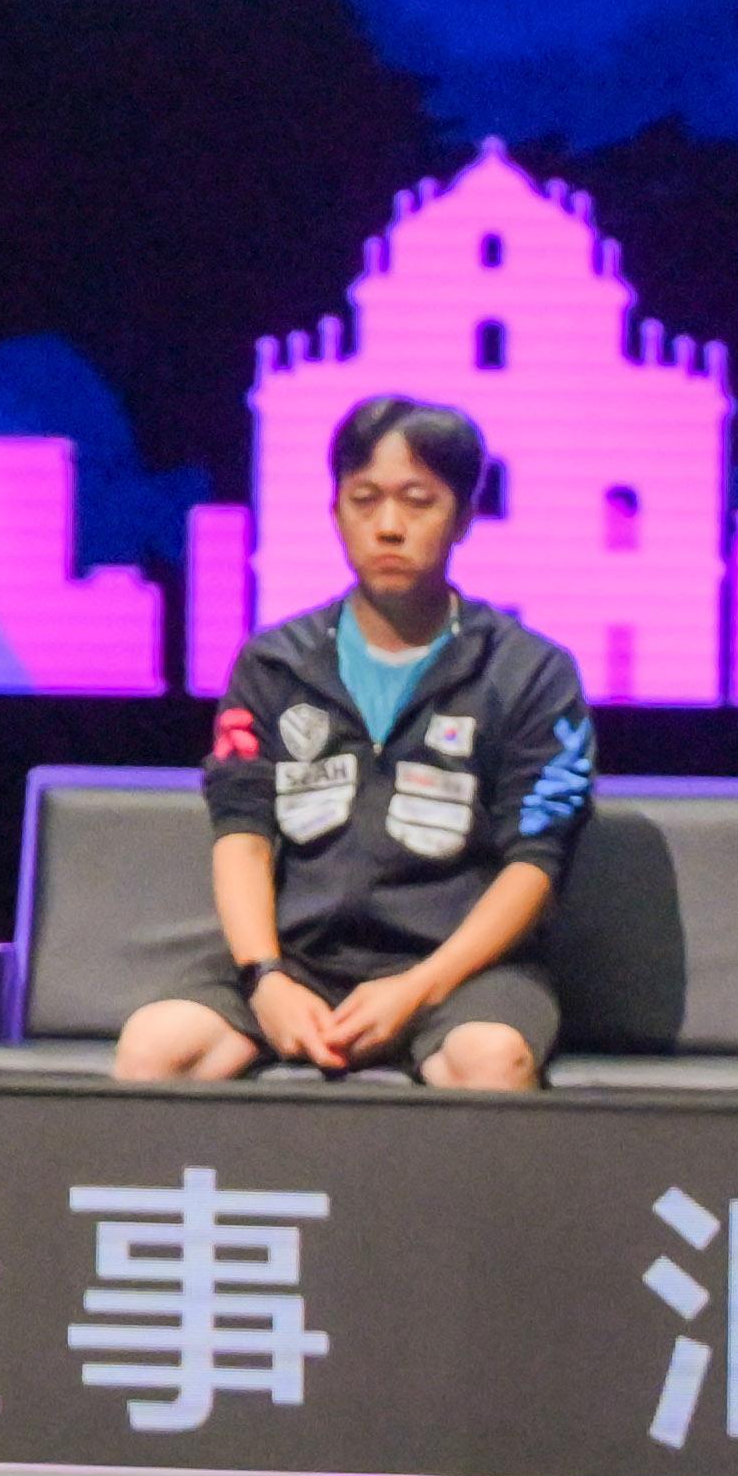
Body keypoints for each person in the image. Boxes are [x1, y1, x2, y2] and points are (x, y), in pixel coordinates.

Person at [113, 394, 592, 1092]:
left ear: (463, 517)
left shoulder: (529, 672)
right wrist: (266, 976)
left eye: (418, 502)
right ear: (335, 511)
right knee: (154, 1049)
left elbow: (535, 865)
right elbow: (242, 837)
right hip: (297, 961)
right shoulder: (276, 664)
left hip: (463, 972)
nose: (389, 526)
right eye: (364, 500)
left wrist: (422, 987)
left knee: (490, 1059)